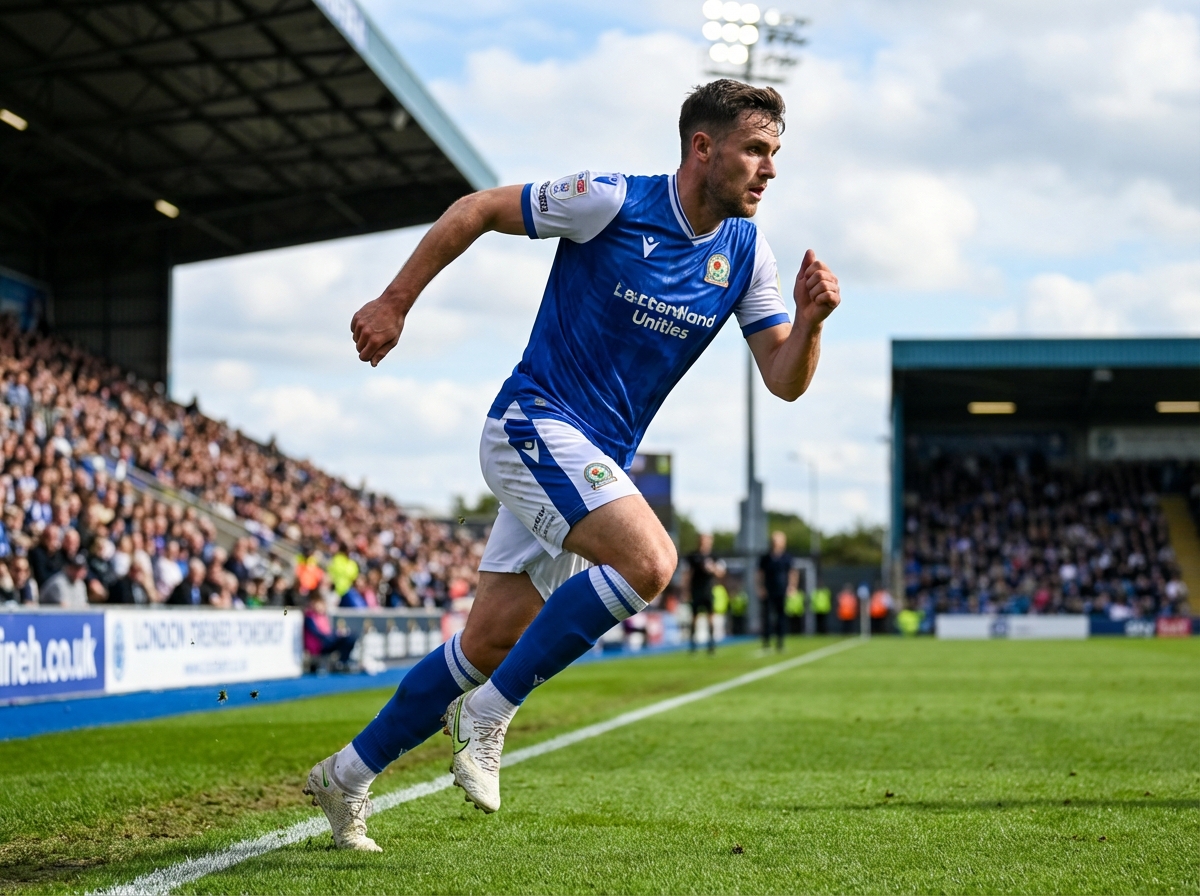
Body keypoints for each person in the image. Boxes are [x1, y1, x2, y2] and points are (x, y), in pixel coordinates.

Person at [304, 79, 841, 851]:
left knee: (486, 643)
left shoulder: (749, 254)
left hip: (588, 462)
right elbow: (478, 209)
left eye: (775, 155)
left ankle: (347, 775)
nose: (770, 170)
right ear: (703, 147)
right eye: (756, 150)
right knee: (652, 560)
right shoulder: (612, 201)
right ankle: (488, 717)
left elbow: (783, 380)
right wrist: (395, 302)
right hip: (532, 423)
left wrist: (812, 323)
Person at [684, 533, 718, 653]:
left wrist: (712, 568)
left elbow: (721, 572)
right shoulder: (693, 556)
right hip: (696, 590)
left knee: (711, 618)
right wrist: (686, 590)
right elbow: (688, 574)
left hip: (708, 590)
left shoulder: (713, 556)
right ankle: (693, 645)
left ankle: (711, 644)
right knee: (694, 617)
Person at [758, 530, 792, 651]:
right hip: (768, 590)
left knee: (781, 617)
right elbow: (760, 573)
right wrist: (761, 587)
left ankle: (780, 642)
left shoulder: (786, 557)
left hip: (781, 590)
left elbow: (792, 572)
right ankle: (766, 642)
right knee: (767, 617)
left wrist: (791, 587)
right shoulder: (766, 557)